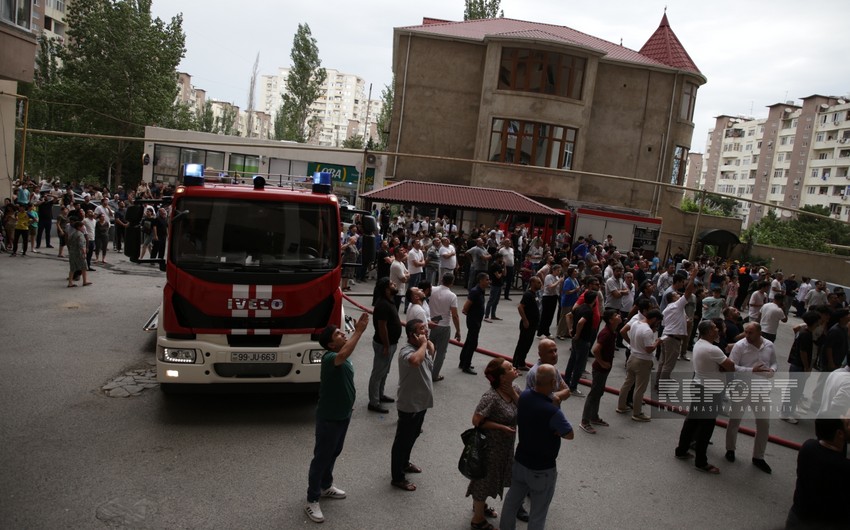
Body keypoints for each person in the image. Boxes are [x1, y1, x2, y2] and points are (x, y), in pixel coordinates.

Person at [304, 313, 369, 524]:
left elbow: (347, 352)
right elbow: (344, 354)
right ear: (331, 345)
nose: (343, 334)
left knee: (334, 452)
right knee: (321, 457)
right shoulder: (331, 358)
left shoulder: (341, 354)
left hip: (343, 415)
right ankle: (312, 499)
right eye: (339, 334)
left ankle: (325, 486)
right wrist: (359, 331)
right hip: (329, 418)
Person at [498, 364, 574, 530]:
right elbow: (569, 434)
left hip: (520, 462)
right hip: (542, 469)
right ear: (553, 382)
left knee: (511, 503)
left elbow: (523, 405)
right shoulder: (552, 412)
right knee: (538, 514)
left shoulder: (524, 397)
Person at [673, 320, 737, 473]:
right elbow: (731, 366)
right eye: (715, 328)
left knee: (692, 421)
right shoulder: (713, 349)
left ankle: (681, 450)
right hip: (710, 390)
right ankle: (701, 461)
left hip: (699, 385)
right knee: (706, 426)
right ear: (709, 332)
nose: (718, 330)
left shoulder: (699, 344)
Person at [467, 358, 520, 530]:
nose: (514, 369)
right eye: (510, 368)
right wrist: (501, 427)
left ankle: (480, 507)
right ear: (502, 377)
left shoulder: (515, 389)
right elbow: (476, 420)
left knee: (493, 479)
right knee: (484, 481)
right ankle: (478, 520)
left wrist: (513, 394)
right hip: (490, 447)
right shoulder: (491, 396)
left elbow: (524, 409)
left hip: (505, 446)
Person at [725, 322, 778, 474]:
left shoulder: (769, 345)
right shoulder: (740, 346)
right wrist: (751, 370)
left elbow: (774, 362)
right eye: (746, 332)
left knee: (764, 424)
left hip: (761, 390)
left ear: (760, 333)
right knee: (735, 420)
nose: (747, 336)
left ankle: (758, 456)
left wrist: (772, 370)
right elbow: (732, 366)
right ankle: (730, 449)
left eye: (750, 333)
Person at [390, 319, 435, 492]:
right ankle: (397, 477)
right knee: (402, 441)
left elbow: (430, 355)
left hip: (421, 402)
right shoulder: (406, 351)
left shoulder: (421, 348)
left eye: (426, 328)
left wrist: (426, 343)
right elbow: (415, 361)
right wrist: (424, 344)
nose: (426, 331)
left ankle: (405, 462)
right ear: (412, 335)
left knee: (413, 435)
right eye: (421, 329)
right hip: (409, 404)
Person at [785, 416, 850, 529]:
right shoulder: (843, 467)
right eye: (847, 424)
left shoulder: (808, 447)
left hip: (797, 518)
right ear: (839, 434)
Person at [617, 309, 663, 422]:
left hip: (633, 357)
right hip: (642, 361)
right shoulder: (647, 331)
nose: (656, 325)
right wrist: (657, 342)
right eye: (657, 322)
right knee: (639, 388)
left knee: (627, 383)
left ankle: (621, 406)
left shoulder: (636, 323)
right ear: (654, 319)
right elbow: (649, 349)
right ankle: (637, 413)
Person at [580, 309, 621, 434]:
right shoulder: (606, 333)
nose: (619, 316)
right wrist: (602, 363)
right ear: (610, 320)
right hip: (600, 369)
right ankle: (585, 421)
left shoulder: (612, 332)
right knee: (593, 394)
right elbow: (596, 349)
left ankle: (594, 416)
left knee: (599, 392)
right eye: (616, 315)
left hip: (604, 369)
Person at [368, 278, 401, 414]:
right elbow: (382, 327)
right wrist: (386, 345)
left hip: (390, 344)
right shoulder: (382, 305)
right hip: (384, 345)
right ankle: (374, 402)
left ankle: (380, 395)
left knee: (384, 371)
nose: (395, 285)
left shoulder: (389, 301)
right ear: (386, 289)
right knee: (378, 373)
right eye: (392, 284)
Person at [563, 290, 599, 396]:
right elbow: (580, 322)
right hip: (582, 340)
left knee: (572, 361)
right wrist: (578, 334)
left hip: (575, 340)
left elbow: (568, 315)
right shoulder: (588, 311)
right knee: (579, 365)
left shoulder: (580, 307)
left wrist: (570, 329)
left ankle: (566, 382)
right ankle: (573, 387)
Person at [428, 273, 461, 382]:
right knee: (441, 353)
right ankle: (434, 374)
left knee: (430, 349)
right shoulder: (452, 296)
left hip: (432, 324)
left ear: (441, 279)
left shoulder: (432, 289)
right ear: (452, 283)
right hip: (444, 326)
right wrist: (458, 330)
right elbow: (455, 315)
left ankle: (426, 371)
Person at [459, 272, 490, 375]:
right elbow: (465, 308)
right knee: (472, 343)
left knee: (469, 341)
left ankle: (463, 362)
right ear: (481, 280)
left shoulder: (481, 290)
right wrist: (471, 316)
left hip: (476, 320)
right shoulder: (475, 291)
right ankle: (466, 366)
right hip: (473, 321)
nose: (488, 281)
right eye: (486, 279)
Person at [512, 276, 542, 370]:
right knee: (522, 344)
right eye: (538, 282)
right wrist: (525, 320)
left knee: (527, 344)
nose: (540, 284)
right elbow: (520, 307)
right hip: (527, 324)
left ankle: (521, 363)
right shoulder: (528, 294)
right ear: (532, 283)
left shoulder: (535, 294)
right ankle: (515, 365)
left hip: (533, 324)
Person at [66, 221, 91, 287]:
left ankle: (70, 283)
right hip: (79, 253)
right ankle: (85, 281)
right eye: (82, 226)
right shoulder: (80, 234)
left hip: (72, 252)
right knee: (84, 267)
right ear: (79, 227)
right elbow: (81, 245)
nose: (83, 227)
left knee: (72, 268)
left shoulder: (73, 233)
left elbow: (68, 242)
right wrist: (84, 253)